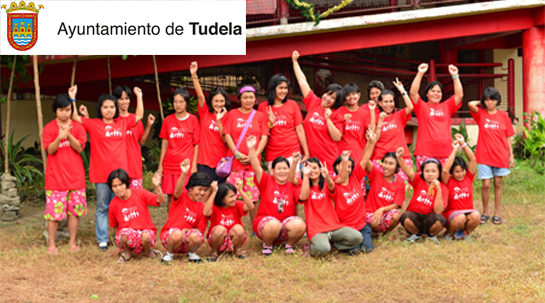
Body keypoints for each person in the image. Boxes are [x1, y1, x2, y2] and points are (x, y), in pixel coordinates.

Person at [71, 85, 144, 251]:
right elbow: (75, 117)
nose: (109, 110)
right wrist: (73, 97)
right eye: (106, 107)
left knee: (118, 206)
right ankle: (103, 239)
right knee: (103, 207)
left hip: (119, 175)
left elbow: (139, 115)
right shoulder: (93, 124)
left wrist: (139, 96)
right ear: (100, 109)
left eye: (112, 106)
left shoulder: (123, 123)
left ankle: (120, 237)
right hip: (101, 175)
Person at [288, 154, 363, 257]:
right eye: (309, 168)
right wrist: (295, 162)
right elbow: (292, 179)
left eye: (315, 168)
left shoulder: (327, 182)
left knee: (357, 237)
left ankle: (334, 245)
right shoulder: (304, 184)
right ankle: (311, 248)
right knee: (323, 249)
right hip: (317, 229)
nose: (312, 171)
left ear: (320, 169)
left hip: (334, 226)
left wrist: (328, 176)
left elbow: (341, 179)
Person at [42, 93, 87, 254]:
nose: (64, 113)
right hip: (55, 179)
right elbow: (50, 150)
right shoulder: (49, 128)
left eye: (67, 110)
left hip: (76, 178)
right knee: (53, 214)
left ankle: (73, 242)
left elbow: (80, 148)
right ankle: (51, 244)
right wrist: (59, 137)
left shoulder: (79, 127)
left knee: (74, 213)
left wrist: (68, 134)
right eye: (61, 109)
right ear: (56, 110)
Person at [247, 135, 306, 255]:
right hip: (267, 225)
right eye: (278, 168)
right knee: (273, 225)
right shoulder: (266, 180)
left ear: (289, 171)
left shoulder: (293, 184)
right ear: (272, 170)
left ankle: (289, 245)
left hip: (286, 225)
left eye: (285, 168)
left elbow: (303, 197)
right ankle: (268, 245)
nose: (282, 171)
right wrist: (251, 149)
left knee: (300, 224)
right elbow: (256, 167)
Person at [292, 50, 344, 174]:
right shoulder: (314, 102)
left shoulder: (336, 114)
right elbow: (302, 81)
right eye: (328, 94)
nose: (328, 99)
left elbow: (337, 137)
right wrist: (295, 62)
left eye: (333, 98)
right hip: (310, 160)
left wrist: (328, 119)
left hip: (328, 161)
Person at [468, 87, 515, 225]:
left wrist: (511, 155)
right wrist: (482, 102)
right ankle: (485, 212)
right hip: (484, 155)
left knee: (498, 183)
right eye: (487, 100)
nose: (490, 103)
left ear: (498, 100)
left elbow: (508, 137)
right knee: (486, 185)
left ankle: (497, 213)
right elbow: (471, 104)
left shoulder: (503, 116)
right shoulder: (481, 113)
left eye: (493, 99)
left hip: (501, 155)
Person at [223, 85, 268, 223]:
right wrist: (236, 153)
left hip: (252, 165)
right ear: (239, 99)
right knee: (232, 195)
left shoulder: (260, 116)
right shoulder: (232, 114)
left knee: (253, 196)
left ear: (255, 100)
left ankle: (255, 225)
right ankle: (233, 222)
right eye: (245, 97)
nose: (248, 100)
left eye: (251, 97)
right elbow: (227, 135)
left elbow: (264, 137)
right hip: (235, 163)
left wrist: (252, 157)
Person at [409, 63, 464, 173]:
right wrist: (420, 73)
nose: (436, 93)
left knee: (444, 184)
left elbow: (459, 95)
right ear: (427, 94)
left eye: (438, 91)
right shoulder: (422, 106)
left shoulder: (446, 106)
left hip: (445, 152)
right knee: (425, 185)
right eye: (433, 91)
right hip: (425, 152)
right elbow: (413, 93)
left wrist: (455, 76)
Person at [107, 169, 165, 264]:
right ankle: (128, 252)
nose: (118, 188)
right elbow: (115, 227)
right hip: (129, 237)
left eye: (121, 184)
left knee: (146, 237)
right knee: (124, 236)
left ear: (126, 183)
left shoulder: (139, 193)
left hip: (145, 232)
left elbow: (161, 200)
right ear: (111, 188)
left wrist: (157, 186)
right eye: (114, 186)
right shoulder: (113, 204)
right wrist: (119, 245)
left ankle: (147, 251)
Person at [157, 88, 200, 212]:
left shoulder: (193, 120)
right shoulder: (167, 120)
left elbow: (196, 144)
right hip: (170, 164)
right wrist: (160, 166)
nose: (178, 104)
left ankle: (184, 224)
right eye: (175, 101)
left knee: (185, 195)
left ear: (186, 103)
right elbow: (164, 143)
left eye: (181, 101)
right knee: (171, 197)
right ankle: (171, 225)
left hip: (185, 165)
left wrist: (194, 166)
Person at [160, 159, 211, 264]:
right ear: (191, 188)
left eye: (205, 190)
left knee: (195, 236)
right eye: (200, 189)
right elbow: (177, 190)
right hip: (172, 238)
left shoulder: (202, 206)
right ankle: (169, 254)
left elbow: (200, 230)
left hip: (187, 240)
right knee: (177, 234)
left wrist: (186, 230)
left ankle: (192, 253)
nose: (202, 193)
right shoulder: (181, 197)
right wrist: (184, 173)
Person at [258, 74, 310, 172]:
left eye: (286, 88)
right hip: (273, 154)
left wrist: (306, 153)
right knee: (276, 185)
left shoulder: (292, 104)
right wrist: (270, 123)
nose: (284, 91)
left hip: (293, 152)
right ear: (273, 88)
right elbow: (262, 133)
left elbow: (300, 130)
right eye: (280, 88)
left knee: (294, 184)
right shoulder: (263, 107)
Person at [397, 147, 449, 244]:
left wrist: (439, 190)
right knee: (405, 217)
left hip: (430, 218)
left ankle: (431, 235)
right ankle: (416, 234)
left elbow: (438, 211)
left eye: (433, 171)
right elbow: (407, 171)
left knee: (440, 220)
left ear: (439, 173)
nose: (430, 174)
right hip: (415, 216)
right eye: (427, 171)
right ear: (423, 172)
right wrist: (399, 158)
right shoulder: (418, 180)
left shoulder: (443, 188)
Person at [190, 62, 230, 182]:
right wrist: (194, 75)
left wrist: (219, 121)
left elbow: (225, 139)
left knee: (219, 194)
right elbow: (200, 95)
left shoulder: (228, 116)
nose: (219, 104)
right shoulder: (205, 112)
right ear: (211, 101)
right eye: (216, 101)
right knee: (204, 192)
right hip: (204, 161)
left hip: (222, 162)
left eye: (221, 101)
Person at [360, 129, 405, 235]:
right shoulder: (376, 175)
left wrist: (382, 209)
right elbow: (365, 159)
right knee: (374, 223)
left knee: (396, 215)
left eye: (390, 164)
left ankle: (386, 234)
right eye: (385, 162)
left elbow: (396, 205)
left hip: (384, 213)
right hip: (370, 213)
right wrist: (370, 142)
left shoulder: (400, 183)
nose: (386, 166)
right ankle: (370, 233)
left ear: (397, 167)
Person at [373, 79, 414, 190]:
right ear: (380, 103)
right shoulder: (375, 118)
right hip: (380, 158)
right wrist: (380, 121)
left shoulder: (398, 115)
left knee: (403, 189)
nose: (389, 104)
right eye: (386, 102)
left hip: (402, 157)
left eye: (391, 101)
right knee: (381, 189)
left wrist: (402, 90)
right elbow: (374, 139)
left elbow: (410, 107)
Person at [112, 85, 155, 189]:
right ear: (116, 100)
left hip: (134, 165)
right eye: (121, 99)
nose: (124, 101)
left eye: (127, 98)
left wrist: (149, 125)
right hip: (118, 165)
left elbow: (142, 141)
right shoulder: (112, 120)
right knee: (120, 200)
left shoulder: (135, 119)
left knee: (135, 199)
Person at [330, 150, 373, 253]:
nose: (347, 169)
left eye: (349, 166)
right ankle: (335, 243)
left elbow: (364, 160)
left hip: (362, 225)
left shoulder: (354, 177)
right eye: (344, 165)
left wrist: (372, 141)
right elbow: (339, 178)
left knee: (368, 249)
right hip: (346, 227)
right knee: (354, 251)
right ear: (336, 166)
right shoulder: (333, 184)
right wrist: (344, 160)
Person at [441, 134, 480, 242]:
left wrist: (463, 144)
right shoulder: (448, 180)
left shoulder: (468, 177)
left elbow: (472, 160)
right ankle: (449, 234)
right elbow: (444, 170)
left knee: (476, 215)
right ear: (452, 172)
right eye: (457, 172)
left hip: (466, 213)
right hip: (452, 215)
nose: (461, 174)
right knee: (461, 217)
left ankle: (464, 234)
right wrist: (454, 150)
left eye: (462, 170)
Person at [203, 180, 253, 261]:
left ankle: (237, 250)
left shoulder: (237, 204)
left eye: (235, 195)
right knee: (220, 229)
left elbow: (250, 206)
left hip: (233, 238)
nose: (234, 198)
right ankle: (214, 252)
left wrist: (240, 190)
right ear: (222, 199)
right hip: (218, 238)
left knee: (238, 228)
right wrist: (214, 192)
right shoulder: (215, 207)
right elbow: (205, 212)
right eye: (231, 196)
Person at [328, 83, 374, 164]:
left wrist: (372, 111)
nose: (351, 97)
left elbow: (371, 130)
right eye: (348, 95)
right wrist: (342, 119)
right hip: (340, 153)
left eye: (354, 94)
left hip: (358, 155)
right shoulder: (339, 112)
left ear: (359, 95)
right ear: (344, 98)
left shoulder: (365, 113)